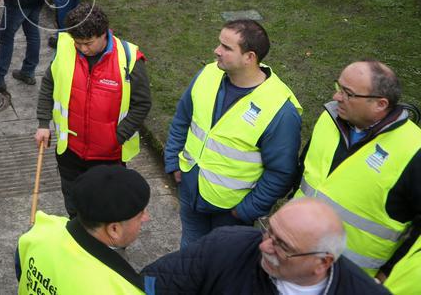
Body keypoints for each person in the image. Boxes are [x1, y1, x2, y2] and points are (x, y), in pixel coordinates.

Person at [164, 20, 302, 247]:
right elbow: (182, 119)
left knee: (221, 270)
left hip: (231, 213)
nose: (216, 51)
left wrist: (246, 211)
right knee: (189, 255)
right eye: (220, 44)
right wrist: (173, 164)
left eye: (226, 48)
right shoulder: (208, 74)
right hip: (190, 192)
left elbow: (281, 172)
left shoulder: (280, 110)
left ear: (250, 57)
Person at [294, 60, 421, 280]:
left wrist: (388, 273)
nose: (336, 97)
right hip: (293, 251)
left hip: (348, 277)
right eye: (338, 87)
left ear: (380, 104)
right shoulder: (330, 117)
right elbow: (305, 170)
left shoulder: (413, 151)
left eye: (348, 93)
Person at [35, 5, 151, 216]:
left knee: (105, 206)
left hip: (108, 157)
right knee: (73, 201)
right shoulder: (66, 49)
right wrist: (43, 123)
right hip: (69, 152)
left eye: (88, 43)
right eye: (78, 43)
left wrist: (117, 136)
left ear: (104, 33)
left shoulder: (129, 59)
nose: (82, 49)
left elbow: (142, 104)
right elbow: (48, 84)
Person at [142, 197, 388, 294]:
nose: (264, 246)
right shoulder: (226, 245)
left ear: (322, 262)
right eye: (269, 230)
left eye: (282, 245)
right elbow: (152, 284)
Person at [17, 165, 150, 294]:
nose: (146, 217)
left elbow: (20, 269)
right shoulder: (121, 289)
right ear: (114, 229)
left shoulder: (42, 230)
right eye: (140, 214)